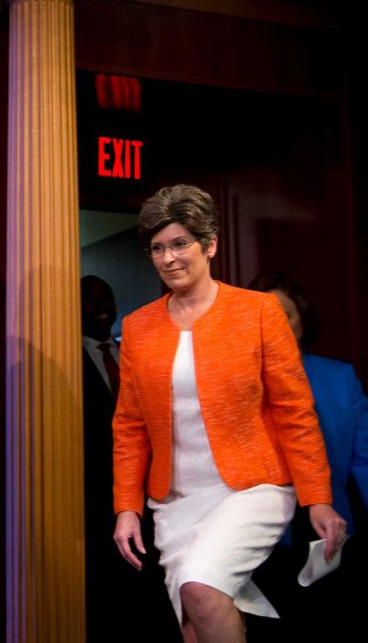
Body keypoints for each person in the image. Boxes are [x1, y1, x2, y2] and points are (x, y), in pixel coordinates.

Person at [111, 184, 347, 643]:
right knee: (194, 624)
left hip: (252, 487)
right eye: (157, 248)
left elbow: (294, 411)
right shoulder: (138, 326)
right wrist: (126, 508)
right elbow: (130, 427)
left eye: (181, 243)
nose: (169, 258)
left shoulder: (258, 312)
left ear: (210, 244)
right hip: (175, 501)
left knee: (201, 586)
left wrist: (317, 497)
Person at [245, 271, 368, 639]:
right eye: (268, 316)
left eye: (288, 314)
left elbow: (364, 460)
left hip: (332, 536)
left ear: (303, 318)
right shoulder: (235, 383)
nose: (279, 324)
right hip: (259, 541)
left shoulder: (340, 377)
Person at [81, 275, 180, 641]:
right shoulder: (66, 360)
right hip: (95, 495)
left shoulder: (135, 352)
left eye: (106, 297)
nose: (101, 306)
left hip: (157, 490)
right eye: (90, 300)